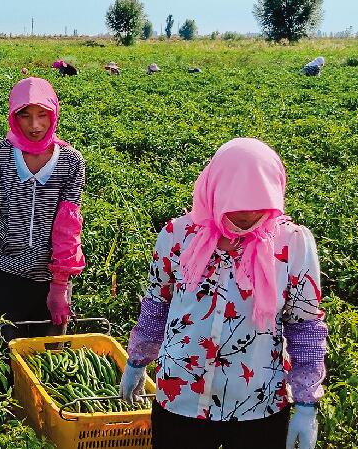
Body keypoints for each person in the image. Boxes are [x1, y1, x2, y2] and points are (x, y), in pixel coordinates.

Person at [120, 138, 327, 449]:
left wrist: (307, 402)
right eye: (236, 200)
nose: (246, 213)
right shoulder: (179, 235)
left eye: (257, 201)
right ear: (215, 188)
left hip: (258, 403)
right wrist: (138, 360)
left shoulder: (292, 244)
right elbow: (157, 304)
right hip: (181, 395)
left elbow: (304, 326)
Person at [0, 77, 86, 342]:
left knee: (49, 356)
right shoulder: (0, 154)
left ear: (54, 114)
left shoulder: (71, 162)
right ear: (14, 116)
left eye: (42, 115)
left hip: (48, 277)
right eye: (25, 116)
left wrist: (60, 285)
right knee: (4, 350)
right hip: (6, 273)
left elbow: (68, 227)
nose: (35, 125)